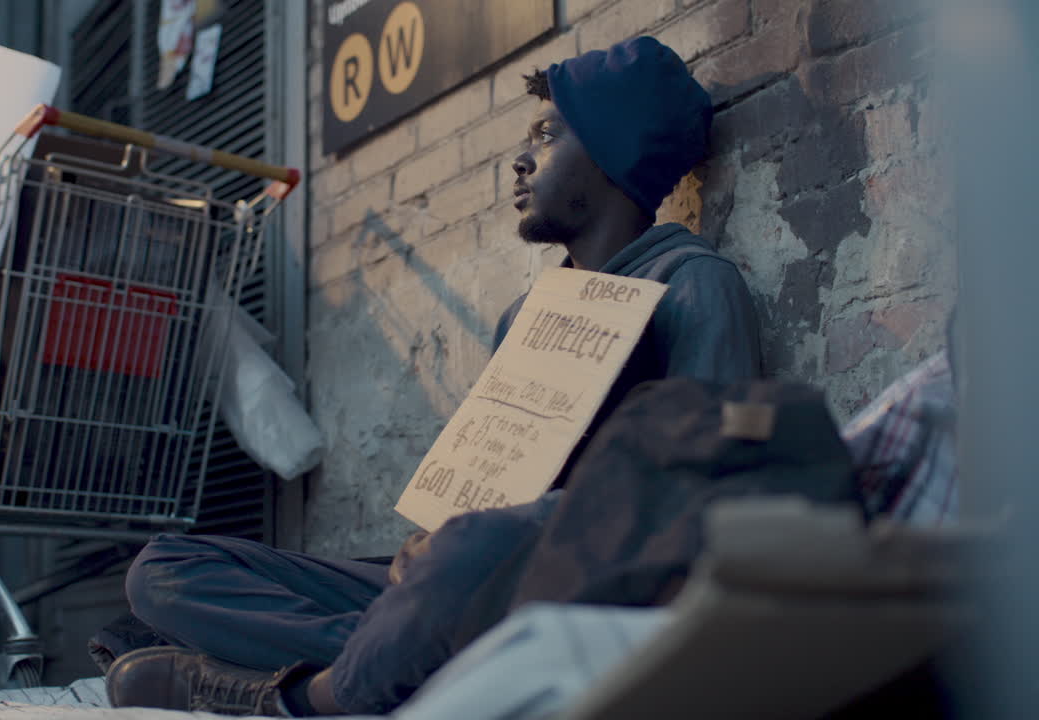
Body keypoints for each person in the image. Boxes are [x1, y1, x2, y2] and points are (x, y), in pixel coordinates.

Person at [105, 36, 762, 716]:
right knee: (163, 570)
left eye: (547, 136)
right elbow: (494, 479)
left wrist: (486, 535)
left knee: (482, 544)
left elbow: (708, 489)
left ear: (613, 151)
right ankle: (401, 659)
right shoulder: (526, 315)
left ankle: (304, 695)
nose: (520, 159)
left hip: (565, 588)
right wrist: (432, 541)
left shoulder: (688, 282)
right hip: (458, 590)